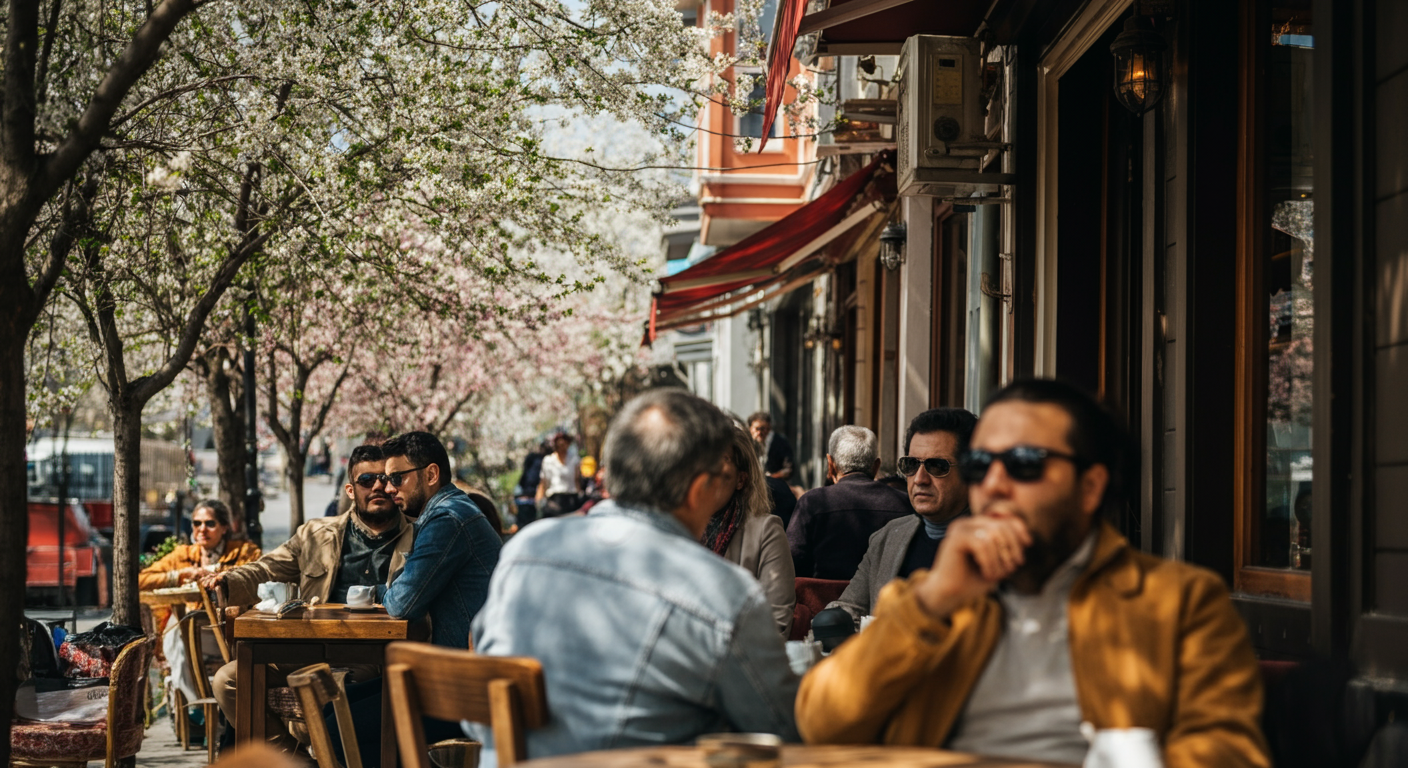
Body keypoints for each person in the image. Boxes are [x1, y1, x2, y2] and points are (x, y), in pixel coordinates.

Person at [796, 379, 1270, 768]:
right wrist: (930, 603)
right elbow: (821, 720)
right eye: (982, 463)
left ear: (1090, 487)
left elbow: (1226, 752)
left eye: (1023, 464)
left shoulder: (1179, 604)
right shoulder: (934, 600)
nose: (994, 483)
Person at [472, 389, 800, 763]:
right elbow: (783, 729)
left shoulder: (524, 552)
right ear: (698, 491)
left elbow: (478, 708)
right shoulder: (723, 594)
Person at [201, 444, 416, 748]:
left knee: (337, 695)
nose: (378, 486)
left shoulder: (419, 538)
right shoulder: (314, 534)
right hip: (307, 648)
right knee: (228, 680)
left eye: (385, 479)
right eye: (367, 480)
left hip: (376, 658)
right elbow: (267, 569)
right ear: (351, 490)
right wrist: (227, 581)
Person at [333, 432, 502, 767]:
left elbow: (402, 603)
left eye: (397, 478)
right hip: (455, 676)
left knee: (341, 725)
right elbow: (404, 591)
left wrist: (378, 593)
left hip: (469, 691)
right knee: (334, 708)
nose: (389, 488)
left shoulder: (448, 518)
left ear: (431, 475)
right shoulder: (448, 513)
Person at [827, 408, 976, 625]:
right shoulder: (888, 537)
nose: (919, 479)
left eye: (937, 466)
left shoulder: (997, 545)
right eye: (911, 465)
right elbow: (848, 609)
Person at [785, 426, 913, 579]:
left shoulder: (813, 502)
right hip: (885, 601)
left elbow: (791, 562)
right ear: (876, 465)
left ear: (830, 464)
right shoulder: (904, 503)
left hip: (823, 601)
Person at [706, 425, 796, 637]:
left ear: (741, 480)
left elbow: (777, 623)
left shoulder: (766, 531)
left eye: (719, 462)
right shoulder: (677, 528)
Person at [138, 499, 262, 590]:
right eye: (197, 523)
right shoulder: (182, 554)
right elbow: (141, 580)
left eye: (210, 524)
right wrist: (179, 576)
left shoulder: (244, 552)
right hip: (186, 622)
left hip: (228, 622)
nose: (202, 529)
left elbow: (260, 578)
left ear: (224, 528)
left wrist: (222, 577)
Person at [536, 431, 581, 517]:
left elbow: (577, 479)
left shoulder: (574, 459)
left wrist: (579, 495)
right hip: (554, 500)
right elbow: (543, 482)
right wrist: (539, 500)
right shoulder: (548, 460)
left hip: (571, 499)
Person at [748, 412, 795, 480]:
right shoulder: (749, 443)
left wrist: (772, 477)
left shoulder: (780, 443)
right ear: (750, 429)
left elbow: (789, 469)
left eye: (763, 429)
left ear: (769, 428)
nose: (759, 433)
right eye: (757, 429)